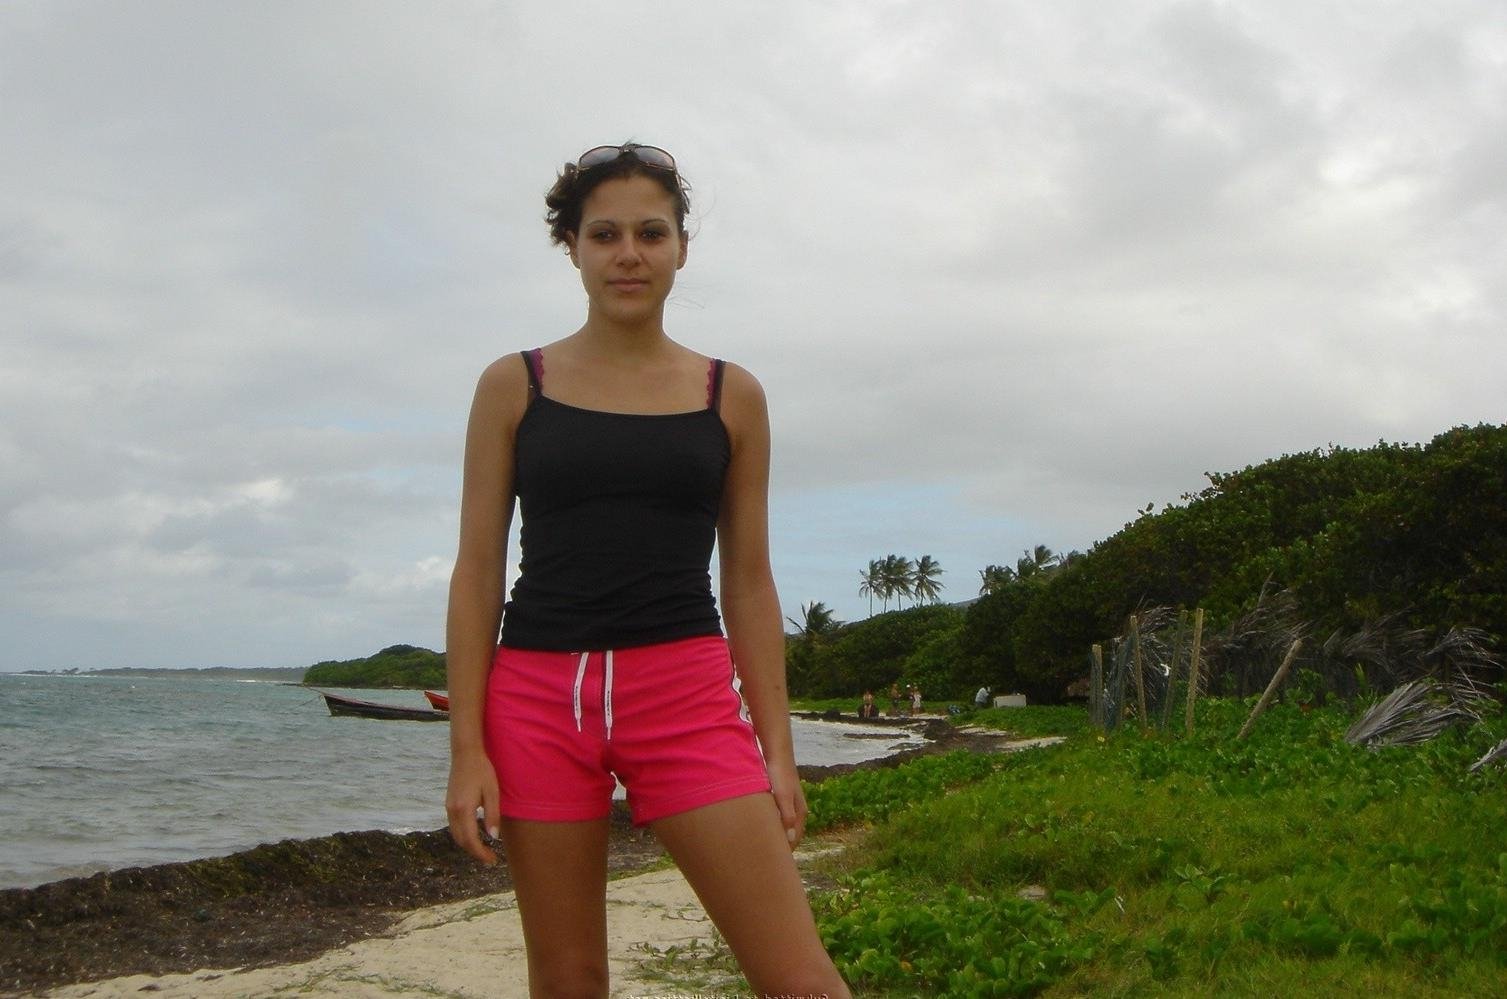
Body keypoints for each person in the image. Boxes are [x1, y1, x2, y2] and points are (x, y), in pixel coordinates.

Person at [443, 142, 850, 997]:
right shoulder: (514, 385)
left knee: (800, 978)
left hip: (685, 696)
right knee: (568, 979)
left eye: (650, 233)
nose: (628, 253)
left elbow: (749, 579)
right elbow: (477, 570)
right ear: (573, 249)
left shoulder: (729, 394)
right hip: (537, 701)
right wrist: (467, 748)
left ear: (680, 248)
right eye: (605, 234)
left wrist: (777, 751)